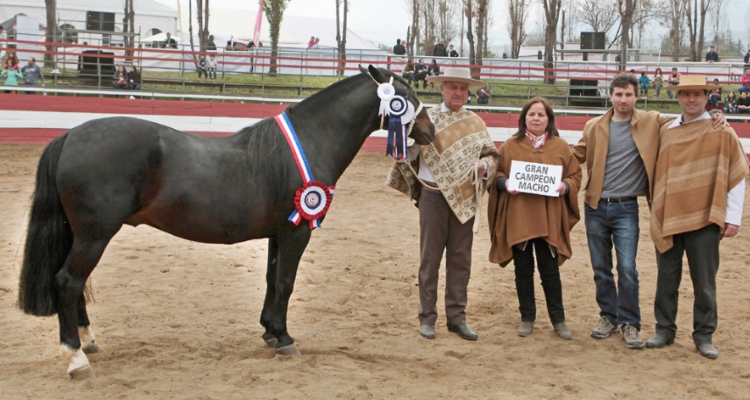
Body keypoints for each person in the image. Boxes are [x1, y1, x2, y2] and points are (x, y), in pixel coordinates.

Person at [573, 73, 727, 350]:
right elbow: (575, 157)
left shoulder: (651, 121)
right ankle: (608, 317)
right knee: (601, 269)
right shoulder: (593, 125)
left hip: (627, 207)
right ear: (611, 96)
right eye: (618, 94)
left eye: (628, 94)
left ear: (637, 96)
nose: (623, 99)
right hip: (594, 206)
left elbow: (688, 119)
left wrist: (715, 113)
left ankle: (630, 323)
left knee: (628, 268)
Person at [385, 68, 500, 341]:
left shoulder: (475, 123)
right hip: (432, 197)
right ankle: (427, 317)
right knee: (430, 259)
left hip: (465, 198)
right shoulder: (425, 118)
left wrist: (485, 166)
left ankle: (457, 318)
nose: (458, 92)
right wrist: (402, 143)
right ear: (442, 89)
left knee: (461, 260)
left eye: (463, 88)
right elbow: (408, 153)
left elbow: (492, 156)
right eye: (453, 87)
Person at [647, 75, 749, 360]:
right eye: (686, 94)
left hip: (705, 217)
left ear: (707, 97)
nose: (691, 99)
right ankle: (664, 329)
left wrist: (733, 217)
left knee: (704, 281)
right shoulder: (666, 130)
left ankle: (704, 335)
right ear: (678, 98)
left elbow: (736, 176)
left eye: (697, 94)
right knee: (667, 278)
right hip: (669, 214)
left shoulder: (722, 132)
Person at [487, 97, 582, 340]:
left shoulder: (561, 147)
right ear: (524, 118)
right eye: (532, 114)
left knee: (550, 271)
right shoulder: (509, 146)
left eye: (541, 115)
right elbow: (496, 173)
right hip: (519, 217)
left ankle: (558, 320)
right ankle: (527, 317)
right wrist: (504, 182)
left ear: (549, 120)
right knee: (523, 270)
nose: (536, 118)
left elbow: (575, 175)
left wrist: (565, 186)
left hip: (549, 218)